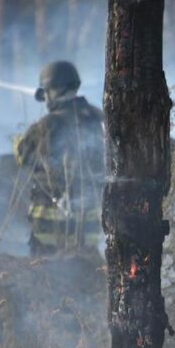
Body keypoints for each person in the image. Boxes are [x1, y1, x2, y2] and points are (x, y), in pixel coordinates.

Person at [14, 60, 104, 256]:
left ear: (54, 91)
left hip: (50, 229)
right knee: (84, 273)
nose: (45, 99)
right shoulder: (96, 119)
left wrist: (18, 142)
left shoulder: (48, 125)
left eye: (46, 93)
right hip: (87, 227)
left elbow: (23, 156)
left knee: (48, 280)